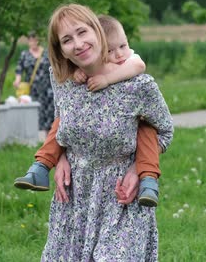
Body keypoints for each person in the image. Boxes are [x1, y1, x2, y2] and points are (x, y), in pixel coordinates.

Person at [39, 4, 173, 261]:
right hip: (75, 199)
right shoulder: (62, 82)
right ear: (61, 50)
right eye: (67, 40)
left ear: (97, 31)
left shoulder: (138, 86)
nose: (77, 44)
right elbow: (61, 122)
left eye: (82, 32)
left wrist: (138, 169)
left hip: (121, 197)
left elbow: (164, 132)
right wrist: (61, 157)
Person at [14, 15, 163, 207]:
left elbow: (138, 65)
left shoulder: (130, 65)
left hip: (122, 175)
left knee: (146, 129)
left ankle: (149, 179)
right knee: (59, 123)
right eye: (111, 50)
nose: (119, 54)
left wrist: (107, 79)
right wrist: (75, 72)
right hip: (78, 186)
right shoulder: (69, 78)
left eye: (123, 46)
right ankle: (40, 166)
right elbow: (63, 118)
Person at [13, 32, 54, 133]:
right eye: (30, 40)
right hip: (32, 90)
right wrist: (17, 79)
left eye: (34, 40)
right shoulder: (25, 54)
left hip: (47, 89)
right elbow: (19, 68)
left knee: (49, 114)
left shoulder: (46, 53)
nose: (33, 42)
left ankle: (48, 137)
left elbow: (54, 68)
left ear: (38, 40)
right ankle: (34, 139)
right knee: (35, 113)